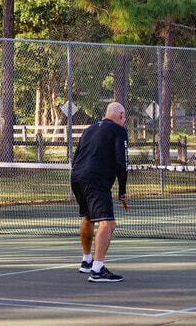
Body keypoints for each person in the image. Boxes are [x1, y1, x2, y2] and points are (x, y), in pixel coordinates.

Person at [71, 102, 128, 283]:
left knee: (88, 217)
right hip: (95, 180)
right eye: (124, 116)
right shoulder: (118, 130)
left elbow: (76, 157)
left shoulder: (89, 129)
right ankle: (97, 269)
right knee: (108, 224)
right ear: (120, 115)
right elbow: (122, 162)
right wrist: (123, 190)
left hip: (77, 176)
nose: (124, 120)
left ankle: (87, 261)